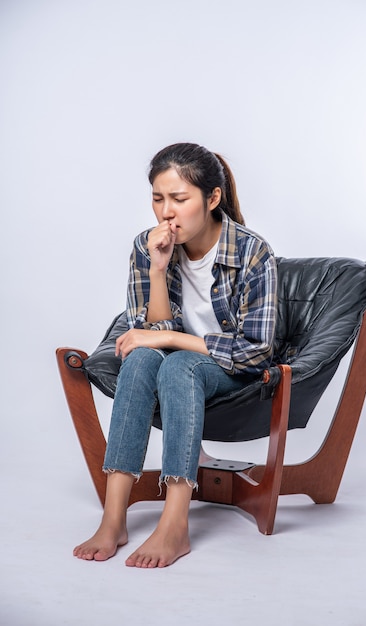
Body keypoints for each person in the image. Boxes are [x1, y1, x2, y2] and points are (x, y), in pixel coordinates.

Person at [73, 142, 278, 568]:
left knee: (177, 363)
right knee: (143, 360)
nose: (167, 212)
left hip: (230, 371)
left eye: (180, 199)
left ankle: (175, 521)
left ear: (212, 198)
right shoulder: (147, 246)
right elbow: (153, 335)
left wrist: (172, 342)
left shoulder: (252, 253)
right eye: (158, 198)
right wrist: (158, 270)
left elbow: (255, 353)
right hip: (174, 368)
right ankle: (114, 518)